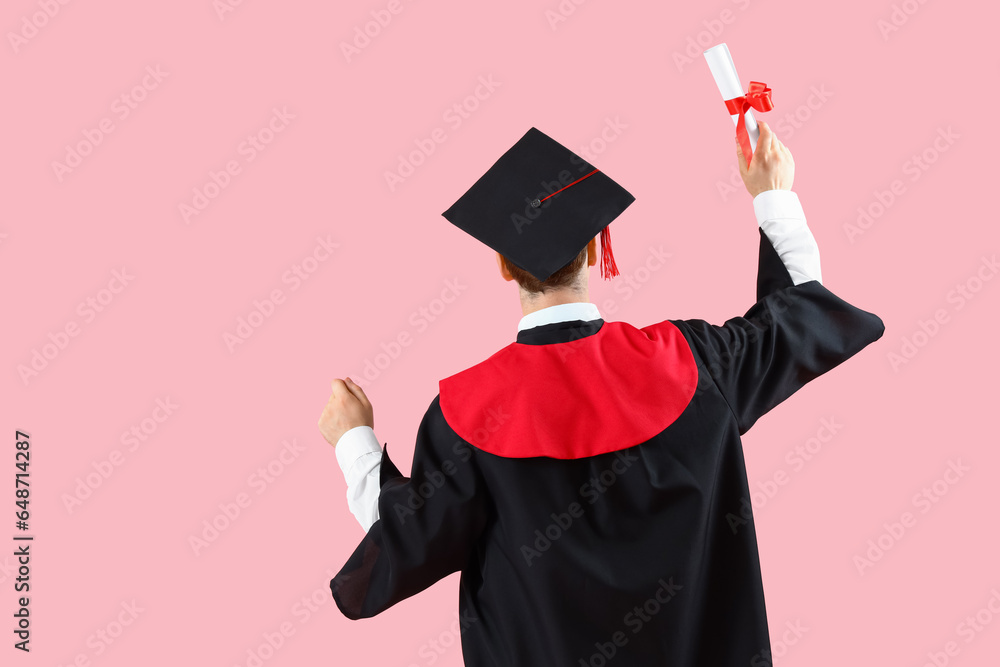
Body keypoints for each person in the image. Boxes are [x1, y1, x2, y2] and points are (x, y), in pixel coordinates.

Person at [318, 123, 884, 665]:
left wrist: (353, 439)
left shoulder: (467, 413)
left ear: (501, 266)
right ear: (596, 249)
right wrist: (772, 194)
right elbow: (803, 315)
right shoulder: (695, 362)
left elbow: (405, 542)